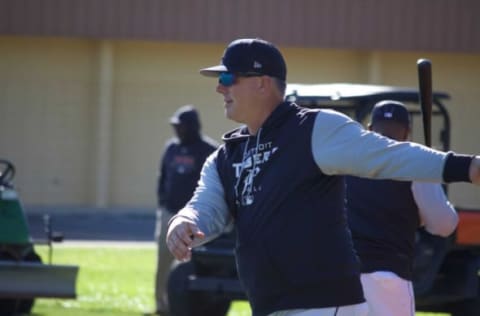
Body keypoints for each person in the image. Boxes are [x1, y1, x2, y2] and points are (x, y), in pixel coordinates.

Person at [165, 38, 480, 316]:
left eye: (228, 77)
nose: (220, 86)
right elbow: (206, 205)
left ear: (261, 82)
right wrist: (186, 221)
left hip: (324, 303)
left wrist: (466, 167)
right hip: (269, 303)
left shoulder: (314, 129)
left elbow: (387, 155)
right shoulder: (225, 155)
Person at [345, 100, 459, 316]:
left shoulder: (346, 161)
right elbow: (444, 225)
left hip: (342, 276)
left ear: (370, 129)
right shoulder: (414, 162)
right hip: (389, 278)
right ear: (407, 132)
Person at [153, 105, 217, 315]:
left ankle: (189, 306)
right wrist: (162, 202)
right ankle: (161, 305)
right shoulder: (171, 148)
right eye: (175, 126)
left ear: (191, 126)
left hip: (194, 219)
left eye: (180, 126)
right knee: (163, 261)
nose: (177, 130)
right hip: (169, 213)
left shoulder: (208, 150)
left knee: (191, 263)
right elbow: (162, 176)